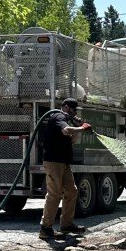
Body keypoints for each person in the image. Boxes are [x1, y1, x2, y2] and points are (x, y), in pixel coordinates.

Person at [38, 99, 92, 240]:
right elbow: (65, 130)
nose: (75, 113)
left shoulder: (67, 120)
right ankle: (46, 228)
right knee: (54, 193)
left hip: (64, 162)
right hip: (53, 162)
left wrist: (77, 126)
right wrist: (81, 128)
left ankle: (66, 225)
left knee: (71, 191)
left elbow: (71, 139)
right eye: (74, 110)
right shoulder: (58, 116)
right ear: (67, 107)